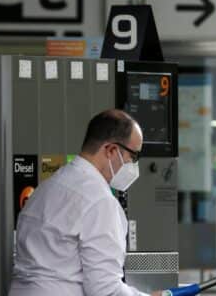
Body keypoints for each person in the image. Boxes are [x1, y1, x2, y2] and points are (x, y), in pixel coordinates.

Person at [9, 109, 163, 296]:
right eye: (134, 157)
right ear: (112, 150)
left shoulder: (47, 188)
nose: (134, 165)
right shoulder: (99, 201)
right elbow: (105, 290)